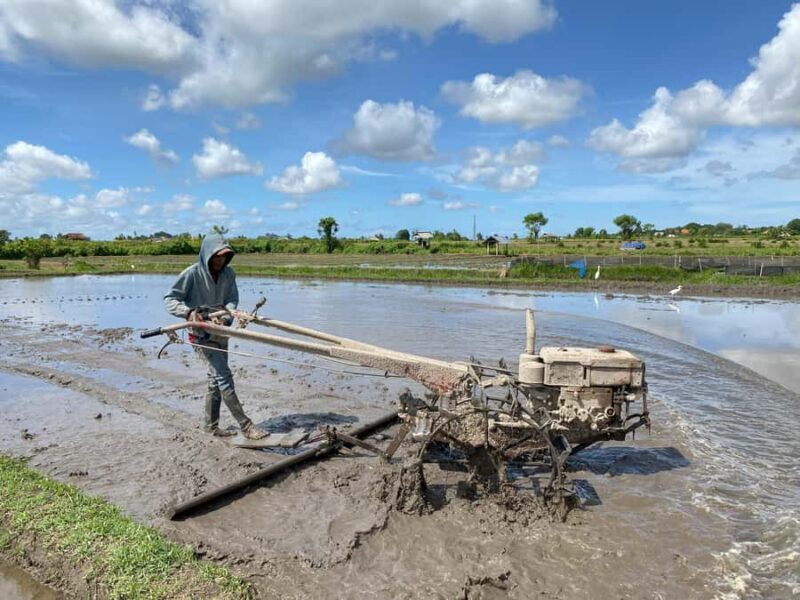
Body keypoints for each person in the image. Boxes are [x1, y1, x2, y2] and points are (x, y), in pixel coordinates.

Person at [164, 233, 269, 439]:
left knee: (215, 380)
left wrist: (226, 314)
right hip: (200, 334)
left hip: (221, 332)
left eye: (224, 257)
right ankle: (246, 426)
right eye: (217, 257)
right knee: (223, 375)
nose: (220, 261)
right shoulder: (192, 274)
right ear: (207, 255)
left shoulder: (229, 274)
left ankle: (210, 426)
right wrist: (189, 312)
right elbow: (170, 298)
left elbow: (232, 298)